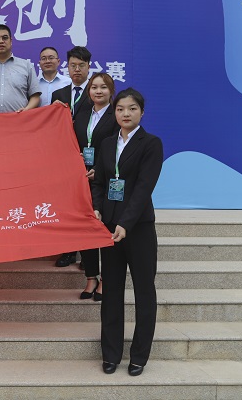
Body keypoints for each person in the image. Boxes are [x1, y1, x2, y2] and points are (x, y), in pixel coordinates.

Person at [91, 88, 163, 377]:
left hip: (138, 228)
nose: (126, 114)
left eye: (132, 108)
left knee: (144, 291)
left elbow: (144, 188)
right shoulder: (107, 143)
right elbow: (99, 182)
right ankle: (111, 354)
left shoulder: (151, 144)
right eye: (120, 109)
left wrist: (126, 223)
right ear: (114, 112)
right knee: (111, 292)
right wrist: (97, 209)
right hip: (109, 228)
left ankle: (139, 356)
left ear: (142, 112)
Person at [72, 73, 120, 301]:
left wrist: (100, 169)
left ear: (111, 91)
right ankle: (91, 277)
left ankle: (106, 280)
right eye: (94, 87)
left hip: (105, 180)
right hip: (81, 179)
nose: (98, 91)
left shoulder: (116, 115)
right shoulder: (82, 114)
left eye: (103, 87)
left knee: (105, 227)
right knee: (85, 228)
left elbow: (119, 148)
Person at [51, 45, 94, 267]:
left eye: (81, 65)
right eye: (72, 65)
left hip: (89, 158)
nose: (77, 69)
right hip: (65, 158)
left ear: (89, 67)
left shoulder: (96, 92)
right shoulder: (59, 94)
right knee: (66, 205)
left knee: (87, 206)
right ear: (67, 68)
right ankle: (68, 251)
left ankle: (88, 256)